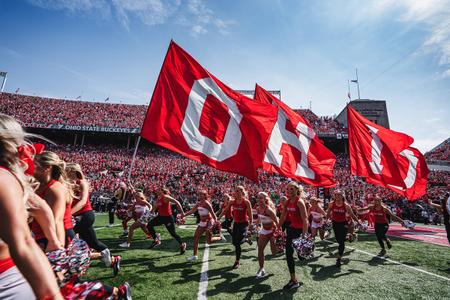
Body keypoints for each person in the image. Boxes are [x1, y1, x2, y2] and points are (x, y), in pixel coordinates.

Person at [0, 113, 63, 299]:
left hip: (7, 276)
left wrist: (54, 240)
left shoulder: (4, 178)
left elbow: (24, 242)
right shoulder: (7, 178)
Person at [66, 163, 121, 275]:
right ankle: (112, 261)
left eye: (67, 171)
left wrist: (68, 214)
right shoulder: (68, 184)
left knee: (67, 240)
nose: (65, 174)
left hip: (84, 215)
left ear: (73, 171)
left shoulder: (82, 182)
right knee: (94, 243)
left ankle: (75, 265)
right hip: (78, 216)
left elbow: (82, 202)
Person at [33, 151, 75, 248]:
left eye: (34, 165)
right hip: (42, 236)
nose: (31, 168)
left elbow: (57, 220)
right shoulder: (40, 186)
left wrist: (57, 247)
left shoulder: (55, 189)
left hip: (56, 237)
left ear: (47, 167)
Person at [279, 182, 308, 290]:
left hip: (300, 231)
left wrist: (304, 236)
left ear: (296, 190)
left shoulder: (299, 202)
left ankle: (306, 252)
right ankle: (293, 280)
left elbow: (305, 219)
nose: (290, 191)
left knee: (301, 256)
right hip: (291, 230)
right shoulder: (287, 202)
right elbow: (283, 216)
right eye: (288, 189)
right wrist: (278, 226)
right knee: (288, 254)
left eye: (292, 189)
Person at [218, 185, 253, 269]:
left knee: (237, 243)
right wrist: (218, 218)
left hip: (244, 224)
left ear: (242, 192)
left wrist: (251, 223)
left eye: (238, 191)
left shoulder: (246, 202)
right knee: (234, 242)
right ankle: (246, 239)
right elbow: (225, 210)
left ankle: (237, 261)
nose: (236, 192)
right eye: (235, 191)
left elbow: (250, 213)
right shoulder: (232, 201)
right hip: (236, 224)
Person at [146, 187, 187, 254]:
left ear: (162, 191)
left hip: (168, 218)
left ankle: (182, 244)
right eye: (157, 190)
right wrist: (149, 214)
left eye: (158, 190)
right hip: (160, 217)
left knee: (173, 234)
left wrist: (182, 213)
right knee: (149, 225)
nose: (157, 191)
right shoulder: (159, 198)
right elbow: (155, 207)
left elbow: (177, 202)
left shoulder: (166, 197)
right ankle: (156, 240)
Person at [326, 189, 360, 267]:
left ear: (342, 196)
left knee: (341, 242)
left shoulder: (346, 205)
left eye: (339, 195)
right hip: (335, 223)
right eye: (336, 195)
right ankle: (349, 237)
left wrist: (358, 222)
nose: (337, 197)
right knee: (338, 240)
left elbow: (352, 215)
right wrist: (326, 220)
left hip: (343, 223)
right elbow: (328, 212)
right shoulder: (331, 204)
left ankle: (339, 259)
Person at [185, 190, 222, 261]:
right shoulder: (198, 203)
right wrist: (184, 214)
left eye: (202, 194)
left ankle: (219, 238)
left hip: (209, 222)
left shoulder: (207, 203)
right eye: (199, 194)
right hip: (202, 222)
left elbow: (213, 213)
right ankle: (195, 255)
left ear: (205, 195)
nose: (200, 196)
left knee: (209, 241)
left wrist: (216, 222)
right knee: (196, 237)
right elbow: (192, 211)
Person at [255, 192, 279, 278]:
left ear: (265, 199)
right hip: (264, 231)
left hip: (273, 231)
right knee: (260, 249)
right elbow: (259, 218)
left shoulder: (269, 210)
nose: (259, 199)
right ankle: (261, 268)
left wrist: (279, 234)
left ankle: (279, 248)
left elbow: (277, 222)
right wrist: (256, 225)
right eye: (258, 198)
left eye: (261, 198)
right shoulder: (258, 208)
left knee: (274, 252)